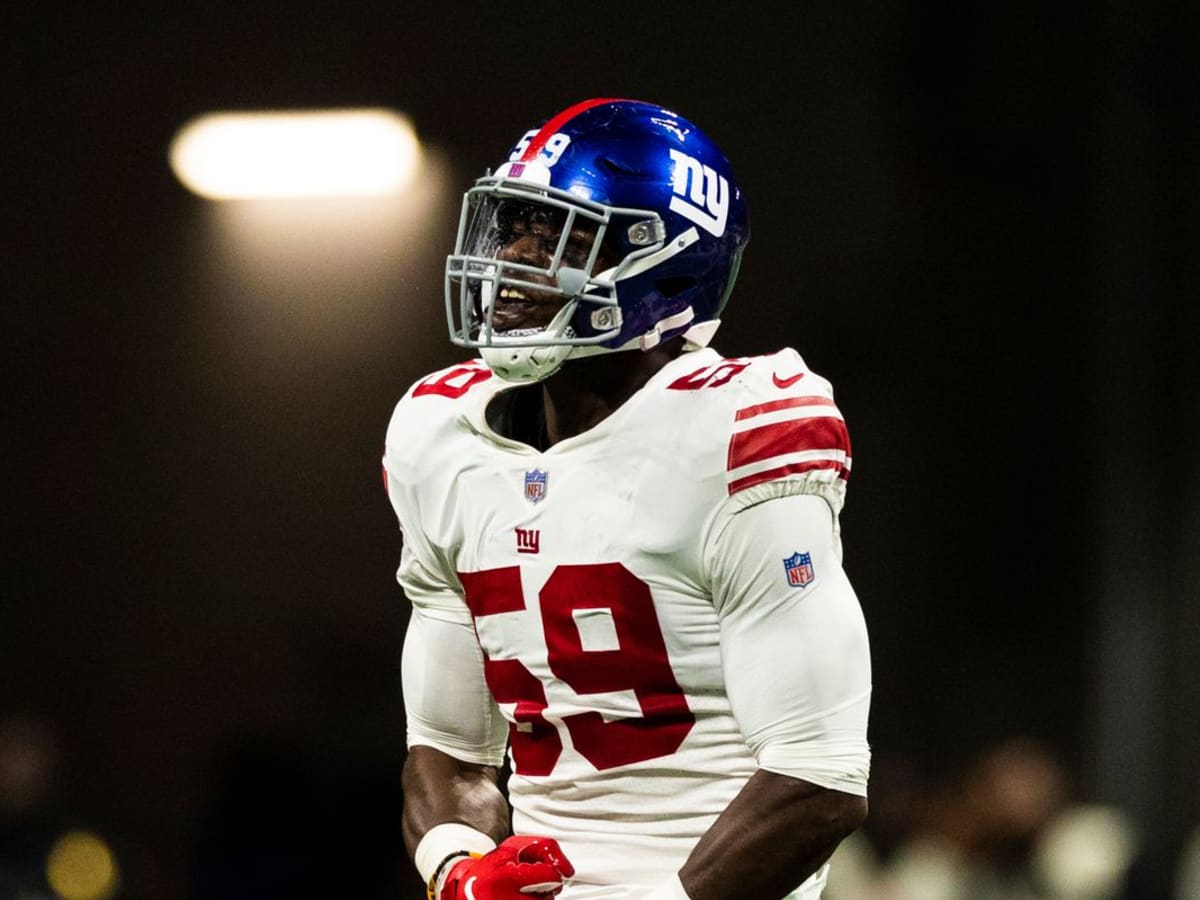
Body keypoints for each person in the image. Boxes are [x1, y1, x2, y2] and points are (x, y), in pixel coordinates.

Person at [382, 97, 872, 900]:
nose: (511, 267)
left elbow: (818, 779)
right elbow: (450, 750)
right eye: (511, 233)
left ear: (661, 260)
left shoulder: (735, 431)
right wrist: (459, 872)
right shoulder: (442, 439)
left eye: (556, 242)